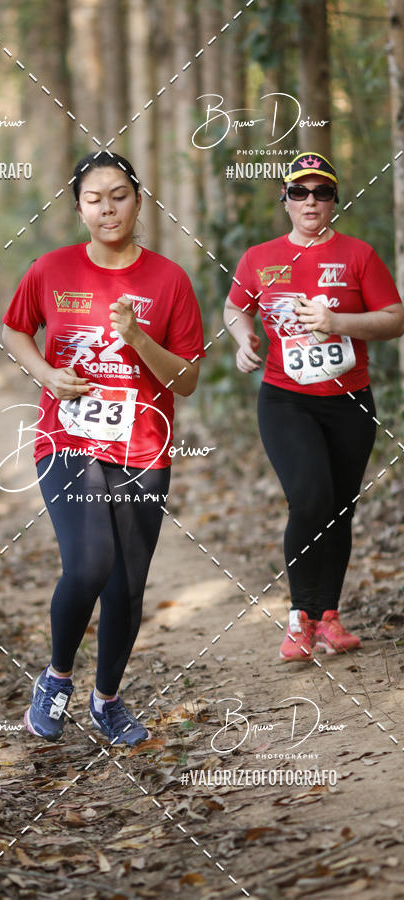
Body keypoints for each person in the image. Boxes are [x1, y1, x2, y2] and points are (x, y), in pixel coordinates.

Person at [2, 151, 204, 745]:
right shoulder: (51, 269)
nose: (108, 208)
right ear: (78, 207)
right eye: (95, 198)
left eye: (119, 195)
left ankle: (107, 699)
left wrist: (138, 336)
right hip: (66, 438)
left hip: (143, 446)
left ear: (139, 200)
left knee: (127, 587)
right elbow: (15, 328)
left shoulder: (169, 281)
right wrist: (44, 372)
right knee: (90, 563)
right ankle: (57, 678)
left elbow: (187, 379)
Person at [224, 151, 404, 662]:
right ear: (285, 199)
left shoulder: (359, 256)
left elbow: (394, 318)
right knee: (309, 498)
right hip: (285, 399)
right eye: (299, 191)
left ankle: (329, 617)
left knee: (340, 508)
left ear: (333, 202)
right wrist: (242, 340)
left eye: (321, 192)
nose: (310, 201)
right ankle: (299, 618)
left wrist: (337, 323)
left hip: (350, 400)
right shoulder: (260, 257)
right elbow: (236, 305)